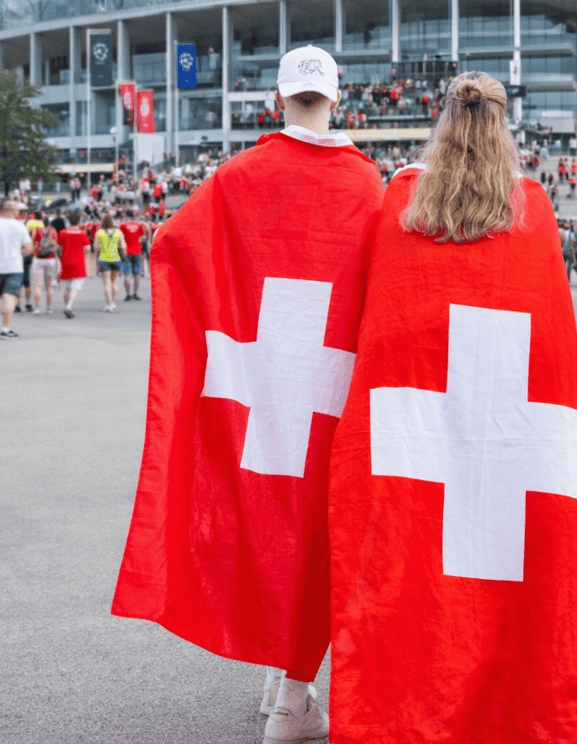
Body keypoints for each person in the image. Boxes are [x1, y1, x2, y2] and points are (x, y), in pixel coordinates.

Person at [328, 70, 577, 744]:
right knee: (510, 570)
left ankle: (412, 705)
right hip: (513, 422)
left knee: (413, 568)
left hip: (415, 424)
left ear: (442, 120)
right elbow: (550, 337)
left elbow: (383, 312)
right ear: (504, 125)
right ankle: (517, 704)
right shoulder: (533, 206)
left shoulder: (403, 198)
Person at [111, 44, 385, 744]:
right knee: (323, 526)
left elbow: (170, 244)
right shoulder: (367, 185)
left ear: (278, 99)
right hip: (332, 385)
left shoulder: (237, 176)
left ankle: (279, 679)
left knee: (265, 517)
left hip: (255, 382)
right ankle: (292, 695)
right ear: (337, 97)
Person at [0, 200, 33, 337]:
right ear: (15, 212)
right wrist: (20, 253)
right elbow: (29, 248)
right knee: (9, 296)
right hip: (14, 267)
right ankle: (5, 329)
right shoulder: (20, 226)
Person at [56, 210, 92, 318]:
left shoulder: (63, 232)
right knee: (75, 287)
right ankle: (69, 307)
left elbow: (59, 248)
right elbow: (87, 249)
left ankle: (67, 306)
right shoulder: (82, 233)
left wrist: (61, 257)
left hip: (66, 261)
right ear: (79, 221)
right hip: (78, 261)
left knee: (66, 287)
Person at [94, 212, 126, 312]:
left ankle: (108, 304)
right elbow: (123, 246)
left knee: (106, 283)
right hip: (116, 258)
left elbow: (96, 247)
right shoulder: (118, 232)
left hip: (104, 259)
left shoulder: (99, 232)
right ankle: (113, 302)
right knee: (114, 282)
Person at [30, 216, 59, 314]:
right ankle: (49, 308)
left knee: (37, 286)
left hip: (38, 259)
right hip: (50, 260)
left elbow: (33, 244)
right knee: (49, 286)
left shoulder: (37, 231)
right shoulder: (53, 231)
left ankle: (37, 308)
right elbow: (56, 246)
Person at [119, 209, 146, 301]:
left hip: (126, 252)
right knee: (136, 274)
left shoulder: (122, 225)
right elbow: (143, 237)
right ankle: (135, 293)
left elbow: (120, 238)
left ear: (126, 215)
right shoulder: (139, 225)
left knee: (126, 274)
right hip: (137, 252)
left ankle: (128, 294)